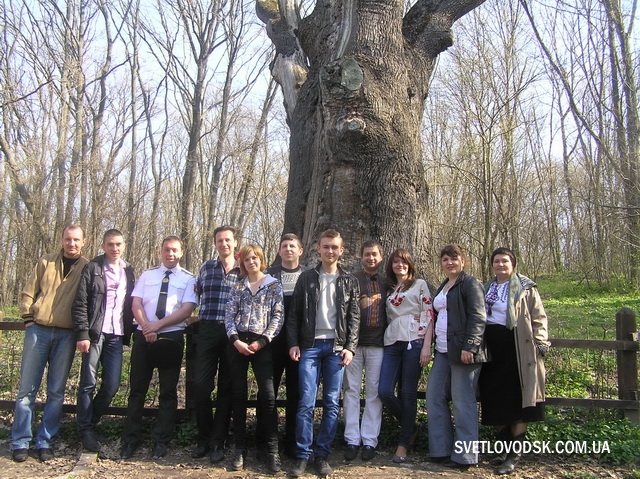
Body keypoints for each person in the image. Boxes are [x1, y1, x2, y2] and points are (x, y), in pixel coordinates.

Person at [11, 225, 89, 463]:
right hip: (39, 331)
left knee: (56, 391)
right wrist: (28, 318)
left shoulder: (87, 267)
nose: (71, 244)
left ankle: (45, 440)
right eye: (68, 239)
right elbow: (28, 292)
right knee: (27, 389)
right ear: (62, 240)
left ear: (83, 242)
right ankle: (20, 441)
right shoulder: (46, 262)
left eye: (76, 240)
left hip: (66, 334)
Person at [287, 229, 360, 478]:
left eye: (334, 247)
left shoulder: (349, 280)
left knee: (330, 403)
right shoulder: (306, 278)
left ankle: (323, 454)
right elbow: (294, 314)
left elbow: (354, 318)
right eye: (326, 246)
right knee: (305, 402)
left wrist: (350, 346)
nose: (330, 251)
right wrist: (293, 343)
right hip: (309, 346)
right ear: (318, 249)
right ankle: (302, 455)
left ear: (341, 250)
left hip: (336, 349)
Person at [120, 236, 197, 460]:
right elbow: (136, 304)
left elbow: (187, 309)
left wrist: (158, 326)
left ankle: (161, 440)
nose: (170, 254)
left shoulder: (188, 279)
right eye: (166, 250)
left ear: (181, 252)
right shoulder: (147, 275)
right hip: (143, 336)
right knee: (137, 390)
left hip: (171, 337)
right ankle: (131, 439)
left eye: (174, 250)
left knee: (167, 391)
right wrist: (146, 327)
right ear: (160, 251)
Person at [479, 247, 550, 475]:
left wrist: (541, 342)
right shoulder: (486, 288)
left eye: (505, 261)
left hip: (519, 350)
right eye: (497, 261)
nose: (500, 265)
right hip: (491, 352)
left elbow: (538, 317)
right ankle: (505, 447)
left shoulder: (525, 288)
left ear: (513, 264)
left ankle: (514, 454)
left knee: (519, 400)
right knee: (495, 399)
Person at [72, 229, 136, 452]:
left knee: (112, 384)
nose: (114, 248)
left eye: (118, 244)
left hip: (116, 335)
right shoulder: (94, 268)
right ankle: (86, 430)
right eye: (110, 244)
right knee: (88, 383)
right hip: (95, 334)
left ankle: (89, 420)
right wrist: (82, 333)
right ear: (103, 246)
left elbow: (132, 304)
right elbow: (80, 303)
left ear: (124, 245)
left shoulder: (128, 271)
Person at [426, 244, 487, 469]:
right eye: (445, 260)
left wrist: (470, 346)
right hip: (443, 351)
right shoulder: (444, 286)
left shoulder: (470, 283)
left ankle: (465, 456)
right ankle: (440, 449)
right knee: (433, 396)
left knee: (463, 403)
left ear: (463, 261)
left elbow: (479, 317)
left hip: (463, 351)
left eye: (454, 258)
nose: (449, 263)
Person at [224, 244, 284, 473]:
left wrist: (262, 341)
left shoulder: (273, 285)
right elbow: (228, 316)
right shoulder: (237, 285)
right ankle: (239, 447)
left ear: (261, 260)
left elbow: (278, 316)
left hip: (263, 344)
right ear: (243, 263)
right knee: (238, 394)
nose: (251, 262)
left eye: (255, 258)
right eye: (247, 259)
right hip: (238, 343)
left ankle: (271, 449)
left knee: (268, 395)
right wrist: (236, 341)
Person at [378, 248, 433, 464]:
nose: (399, 265)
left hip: (415, 341)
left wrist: (427, 346)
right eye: (395, 262)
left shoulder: (419, 285)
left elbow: (428, 314)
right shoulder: (391, 289)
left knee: (408, 393)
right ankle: (411, 427)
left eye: (403, 261)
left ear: (410, 263)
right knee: (384, 391)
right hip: (392, 342)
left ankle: (402, 445)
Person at [192, 226, 239, 463]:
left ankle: (218, 441)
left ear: (235, 242)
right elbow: (195, 294)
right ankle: (204, 437)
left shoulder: (244, 270)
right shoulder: (206, 267)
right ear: (215, 243)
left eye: (227, 240)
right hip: (208, 329)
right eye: (220, 240)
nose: (224, 244)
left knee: (226, 388)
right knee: (201, 386)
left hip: (233, 333)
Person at [258, 233, 307, 459]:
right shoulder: (268, 275)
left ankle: (293, 443)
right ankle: (265, 442)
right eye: (284, 246)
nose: (288, 249)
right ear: (279, 251)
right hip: (272, 342)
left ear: (300, 251)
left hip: (299, 343)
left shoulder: (308, 275)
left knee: (296, 394)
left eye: (292, 246)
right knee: (268, 393)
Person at [343, 241, 388, 462]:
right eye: (367, 254)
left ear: (381, 257)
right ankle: (351, 439)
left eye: (374, 255)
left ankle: (370, 439)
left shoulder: (387, 283)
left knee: (374, 392)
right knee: (351, 390)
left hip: (378, 344)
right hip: (353, 346)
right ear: (361, 257)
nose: (371, 258)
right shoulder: (352, 280)